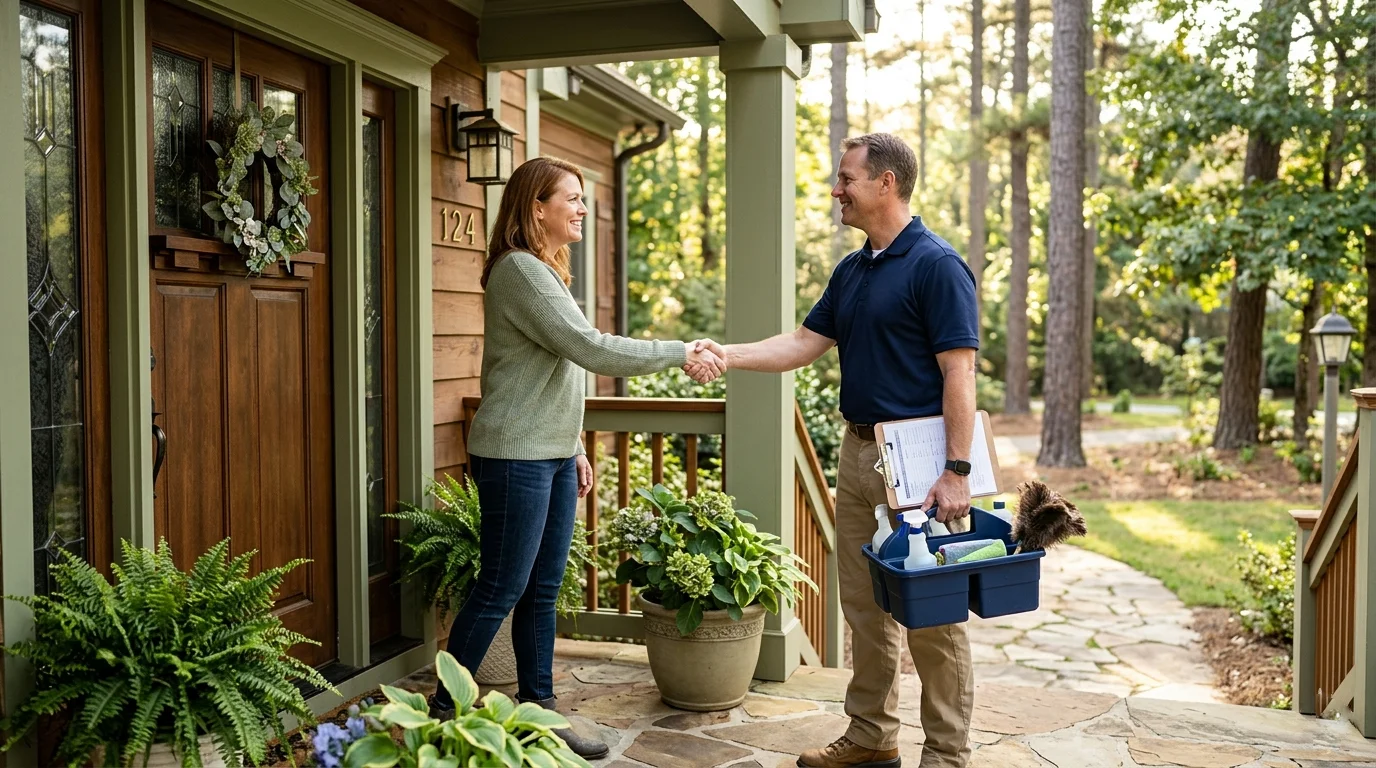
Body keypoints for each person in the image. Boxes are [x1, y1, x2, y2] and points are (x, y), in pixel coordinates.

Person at [692, 133, 978, 768]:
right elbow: (802, 341)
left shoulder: (936, 265)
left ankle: (948, 755)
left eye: (846, 178)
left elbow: (959, 373)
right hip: (858, 456)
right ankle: (872, 739)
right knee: (865, 608)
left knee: (932, 617)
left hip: (919, 465)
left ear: (886, 184)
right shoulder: (854, 269)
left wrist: (956, 472)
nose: (836, 190)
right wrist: (727, 354)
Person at [427, 156, 725, 759]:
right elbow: (589, 348)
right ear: (537, 207)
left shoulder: (545, 273)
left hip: (552, 455)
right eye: (573, 198)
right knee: (500, 588)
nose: (584, 208)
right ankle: (437, 713)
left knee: (542, 590)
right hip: (515, 457)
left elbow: (554, 372)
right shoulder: (520, 271)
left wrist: (575, 445)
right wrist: (679, 350)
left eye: (584, 198)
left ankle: (542, 711)